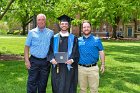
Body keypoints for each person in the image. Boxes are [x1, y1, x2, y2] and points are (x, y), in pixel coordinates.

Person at [49, 14, 79, 93]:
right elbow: (50, 51)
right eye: (62, 24)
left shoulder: (74, 38)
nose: (64, 25)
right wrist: (52, 59)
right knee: (57, 86)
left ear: (68, 25)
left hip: (69, 67)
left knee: (69, 86)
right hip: (57, 67)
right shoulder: (54, 38)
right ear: (60, 25)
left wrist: (72, 60)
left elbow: (76, 52)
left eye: (66, 24)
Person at [24, 13, 54, 93]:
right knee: (32, 82)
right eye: (39, 19)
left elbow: (52, 48)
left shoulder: (50, 33)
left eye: (43, 19)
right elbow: (26, 47)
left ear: (45, 21)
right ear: (36, 21)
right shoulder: (31, 32)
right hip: (33, 61)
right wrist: (27, 61)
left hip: (45, 61)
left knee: (43, 84)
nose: (41, 21)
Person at [78, 20, 105, 93]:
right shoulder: (78, 40)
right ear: (82, 29)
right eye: (84, 27)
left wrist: (103, 64)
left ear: (90, 28)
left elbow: (101, 52)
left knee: (94, 90)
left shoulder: (97, 40)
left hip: (93, 68)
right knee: (82, 89)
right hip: (81, 69)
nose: (86, 28)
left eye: (87, 27)